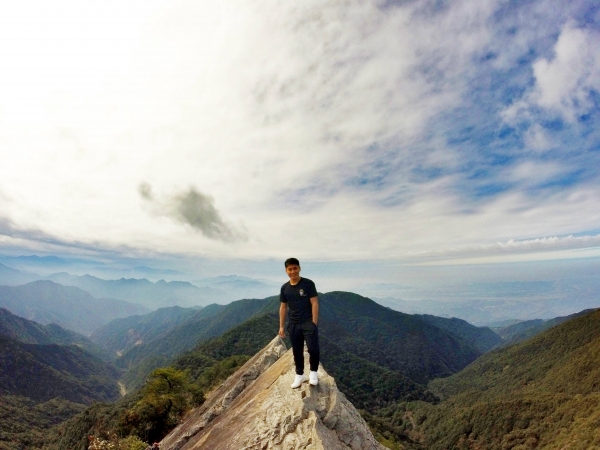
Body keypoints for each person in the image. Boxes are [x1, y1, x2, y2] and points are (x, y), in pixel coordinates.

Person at [279, 257, 320, 388]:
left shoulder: (308, 284)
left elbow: (314, 303)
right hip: (293, 324)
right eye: (289, 269)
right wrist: (281, 326)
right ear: (286, 271)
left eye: (295, 268)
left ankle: (313, 373)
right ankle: (300, 375)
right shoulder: (285, 288)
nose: (293, 271)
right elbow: (283, 307)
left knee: (313, 349)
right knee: (297, 351)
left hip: (307, 322)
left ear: (299, 268)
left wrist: (314, 322)